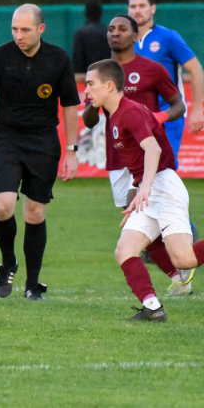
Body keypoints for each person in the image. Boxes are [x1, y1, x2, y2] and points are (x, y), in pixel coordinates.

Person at [0, 3, 80, 301]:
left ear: (41, 29)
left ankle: (32, 285)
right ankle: (8, 263)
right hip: (6, 139)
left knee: (35, 212)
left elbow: (70, 106)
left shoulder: (58, 59)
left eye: (25, 30)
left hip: (44, 142)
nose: (19, 35)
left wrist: (72, 151)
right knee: (2, 205)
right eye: (14, 29)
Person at [84, 59, 204, 321]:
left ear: (109, 86)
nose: (86, 90)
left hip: (164, 186)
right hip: (148, 188)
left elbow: (153, 148)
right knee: (124, 250)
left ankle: (157, 303)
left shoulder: (131, 112)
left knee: (184, 260)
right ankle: (153, 308)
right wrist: (137, 190)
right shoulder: (115, 115)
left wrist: (145, 186)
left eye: (91, 84)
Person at [82, 15, 193, 295]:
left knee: (148, 215)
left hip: (149, 155)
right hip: (119, 157)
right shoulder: (99, 74)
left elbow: (179, 105)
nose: (115, 33)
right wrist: (92, 103)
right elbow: (89, 121)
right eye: (111, 29)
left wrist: (158, 117)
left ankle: (181, 260)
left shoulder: (152, 69)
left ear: (136, 36)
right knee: (138, 223)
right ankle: (178, 277)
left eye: (122, 29)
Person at [128, 0, 204, 159]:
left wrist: (197, 110)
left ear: (152, 8)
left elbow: (196, 69)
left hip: (169, 114)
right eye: (133, 6)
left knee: (164, 167)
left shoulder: (168, 37)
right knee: (139, 170)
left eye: (142, 6)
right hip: (137, 118)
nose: (137, 10)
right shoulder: (125, 41)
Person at [72, 0, 110, 74]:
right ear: (100, 12)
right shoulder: (108, 32)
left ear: (86, 13)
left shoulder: (81, 33)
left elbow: (77, 61)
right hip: (107, 74)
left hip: (87, 76)